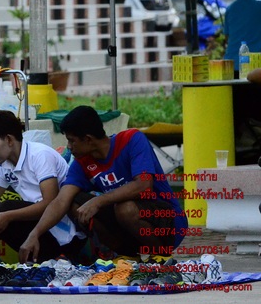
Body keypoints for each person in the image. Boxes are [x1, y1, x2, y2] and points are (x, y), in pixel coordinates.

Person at [19, 106, 188, 264]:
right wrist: (35, 233)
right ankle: (128, 257)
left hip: (169, 224)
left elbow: (144, 185)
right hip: (130, 226)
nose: (69, 147)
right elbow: (60, 201)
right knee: (75, 204)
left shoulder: (132, 140)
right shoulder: (82, 164)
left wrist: (98, 201)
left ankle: (161, 257)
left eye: (71, 141)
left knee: (124, 208)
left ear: (88, 139)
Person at [0, 110, 84, 263]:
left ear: (9, 140)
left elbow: (51, 203)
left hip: (64, 234)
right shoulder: (4, 166)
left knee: (6, 208)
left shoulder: (40, 156)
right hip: (38, 229)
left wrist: (8, 216)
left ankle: (58, 256)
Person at [223, 0, 261, 73]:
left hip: (230, 67)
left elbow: (227, 38)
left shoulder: (230, 8)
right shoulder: (259, 6)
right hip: (254, 68)